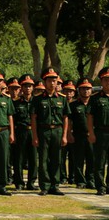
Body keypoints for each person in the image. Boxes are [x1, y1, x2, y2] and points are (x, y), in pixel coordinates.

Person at [31, 67, 70, 196]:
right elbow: (34, 118)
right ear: (45, 81)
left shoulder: (62, 99)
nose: (52, 83)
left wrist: (65, 135)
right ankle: (45, 186)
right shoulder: (37, 99)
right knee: (43, 159)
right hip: (43, 131)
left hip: (57, 131)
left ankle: (55, 185)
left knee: (57, 159)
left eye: (55, 80)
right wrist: (35, 136)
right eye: (50, 80)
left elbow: (65, 118)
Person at [87, 67, 109, 195]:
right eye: (105, 80)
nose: (108, 82)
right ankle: (100, 186)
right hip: (100, 132)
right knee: (99, 161)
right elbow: (90, 117)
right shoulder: (95, 98)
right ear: (101, 82)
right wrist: (91, 133)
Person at [70, 78, 94, 190]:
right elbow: (69, 121)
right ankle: (80, 181)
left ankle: (91, 180)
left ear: (91, 90)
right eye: (83, 88)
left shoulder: (95, 103)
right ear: (79, 90)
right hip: (79, 136)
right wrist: (69, 134)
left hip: (92, 135)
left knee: (92, 159)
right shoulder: (73, 105)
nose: (86, 91)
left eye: (88, 88)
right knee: (78, 159)